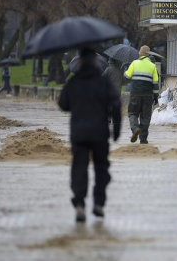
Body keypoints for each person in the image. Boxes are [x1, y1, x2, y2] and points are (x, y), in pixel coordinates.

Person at [58, 48, 121, 222]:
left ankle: (79, 203)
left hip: (78, 134)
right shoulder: (103, 83)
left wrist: (76, 105)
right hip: (100, 134)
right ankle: (99, 203)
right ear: (96, 62)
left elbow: (63, 104)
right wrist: (116, 131)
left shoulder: (73, 82)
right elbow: (116, 105)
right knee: (101, 168)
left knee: (79, 168)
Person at [124, 45, 159, 144]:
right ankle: (143, 139)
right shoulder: (153, 66)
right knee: (145, 116)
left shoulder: (134, 63)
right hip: (147, 95)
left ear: (140, 53)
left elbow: (126, 76)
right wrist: (156, 97)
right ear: (148, 55)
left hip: (135, 94)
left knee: (132, 113)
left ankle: (135, 129)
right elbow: (155, 84)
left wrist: (126, 68)